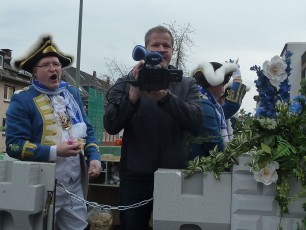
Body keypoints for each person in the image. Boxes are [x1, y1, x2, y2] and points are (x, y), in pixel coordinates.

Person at [103, 25, 202, 230]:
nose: (161, 49)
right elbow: (111, 125)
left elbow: (196, 121)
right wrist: (132, 96)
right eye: (155, 44)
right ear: (145, 49)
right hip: (134, 178)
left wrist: (166, 98)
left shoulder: (186, 83)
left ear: (172, 51)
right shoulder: (126, 82)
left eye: (166, 45)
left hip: (174, 175)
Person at [5, 36, 102, 230]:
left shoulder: (72, 94)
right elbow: (13, 145)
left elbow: (88, 130)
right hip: (42, 184)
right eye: (46, 65)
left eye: (56, 64)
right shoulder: (22, 99)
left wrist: (94, 157)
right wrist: (54, 151)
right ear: (35, 71)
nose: (53, 69)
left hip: (74, 183)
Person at [189, 61, 238, 159]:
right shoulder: (204, 105)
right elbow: (214, 144)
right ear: (213, 84)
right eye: (222, 85)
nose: (223, 90)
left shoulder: (203, 101)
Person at [218, 65, 249, 141]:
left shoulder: (229, 119)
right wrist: (237, 78)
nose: (223, 101)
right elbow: (232, 105)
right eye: (223, 97)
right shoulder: (212, 108)